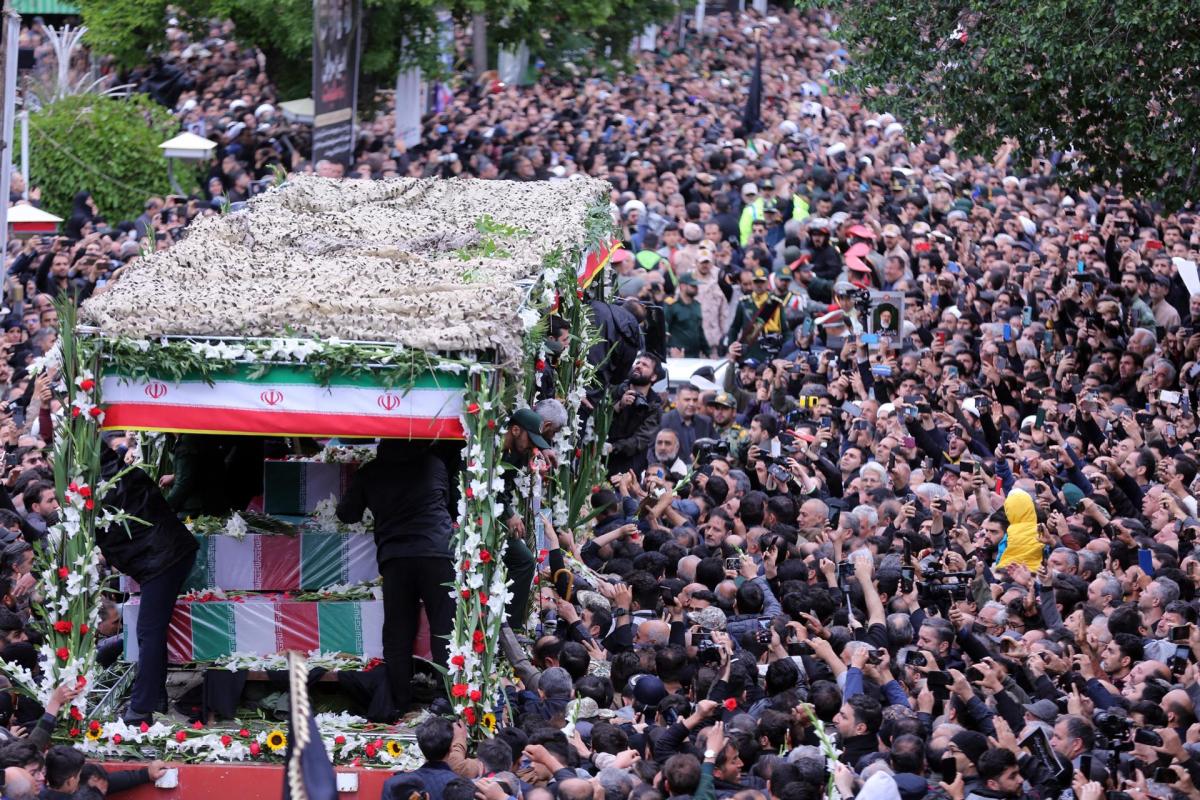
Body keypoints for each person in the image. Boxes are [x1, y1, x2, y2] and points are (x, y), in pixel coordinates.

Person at [337, 440, 456, 719]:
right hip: (436, 553)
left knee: (398, 631)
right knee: (443, 626)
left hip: (396, 557)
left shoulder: (371, 472)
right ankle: (446, 697)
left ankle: (399, 700)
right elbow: (448, 503)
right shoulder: (434, 464)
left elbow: (346, 513)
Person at [95, 446, 198, 725]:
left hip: (163, 560)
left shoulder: (102, 494)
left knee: (149, 631)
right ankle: (156, 696)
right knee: (151, 629)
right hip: (168, 553)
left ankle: (141, 708)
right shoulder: (126, 475)